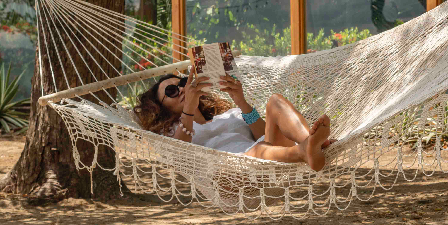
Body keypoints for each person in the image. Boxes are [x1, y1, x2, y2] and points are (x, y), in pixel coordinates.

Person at [133, 66, 334, 171]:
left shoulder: (228, 115)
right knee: (258, 149)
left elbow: (264, 134)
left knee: (275, 101)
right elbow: (179, 155)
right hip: (233, 172)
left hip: (267, 151)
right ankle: (307, 149)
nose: (180, 88)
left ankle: (309, 143)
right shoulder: (174, 130)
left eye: (183, 82)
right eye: (171, 91)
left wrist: (241, 101)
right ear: (161, 107)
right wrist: (188, 109)